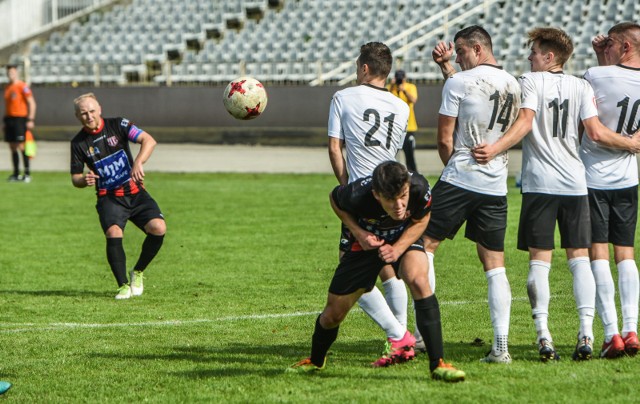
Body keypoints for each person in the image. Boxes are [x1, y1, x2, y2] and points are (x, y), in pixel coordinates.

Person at [472, 27, 640, 362]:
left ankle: (544, 336)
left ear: (549, 57)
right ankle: (588, 334)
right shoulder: (581, 84)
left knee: (540, 260)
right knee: (580, 260)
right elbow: (592, 130)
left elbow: (524, 122)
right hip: (577, 183)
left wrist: (496, 148)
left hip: (541, 183)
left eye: (534, 52)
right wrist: (632, 144)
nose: (530, 57)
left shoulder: (531, 81)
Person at [287, 161, 465, 382]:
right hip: (364, 245)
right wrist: (359, 233)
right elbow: (334, 199)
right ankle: (315, 361)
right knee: (333, 315)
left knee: (419, 280)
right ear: (376, 194)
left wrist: (398, 248)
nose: (399, 205)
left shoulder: (419, 186)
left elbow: (422, 220)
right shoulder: (357, 193)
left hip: (403, 239)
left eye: (403, 196)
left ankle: (438, 363)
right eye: (390, 200)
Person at [327, 42, 428, 366]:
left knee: (350, 267)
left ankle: (397, 334)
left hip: (364, 197)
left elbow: (334, 148)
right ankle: (400, 340)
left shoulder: (344, 96)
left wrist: (347, 190)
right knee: (387, 267)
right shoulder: (399, 106)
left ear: (365, 68)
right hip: (392, 194)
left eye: (358, 67)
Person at [426, 25, 520, 364]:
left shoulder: (459, 82)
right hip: (496, 184)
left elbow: (443, 139)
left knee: (424, 245)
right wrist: (446, 66)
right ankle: (501, 347)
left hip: (461, 176)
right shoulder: (512, 82)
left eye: (462, 52)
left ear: (477, 49)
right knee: (494, 264)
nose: (459, 58)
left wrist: (453, 168)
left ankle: (425, 334)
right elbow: (476, 95)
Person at [580, 22, 640, 358]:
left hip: (593, 177)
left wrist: (598, 60)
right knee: (626, 254)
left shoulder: (595, 75)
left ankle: (611, 333)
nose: (607, 46)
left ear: (625, 47)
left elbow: (592, 122)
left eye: (612, 44)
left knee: (598, 253)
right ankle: (632, 330)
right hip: (628, 179)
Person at [70, 93, 166, 300]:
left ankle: (138, 272)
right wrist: (83, 180)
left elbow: (148, 140)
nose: (89, 116)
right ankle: (123, 285)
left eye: (92, 111)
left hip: (134, 191)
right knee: (114, 233)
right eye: (83, 113)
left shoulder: (118, 124)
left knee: (158, 228)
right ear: (78, 116)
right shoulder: (78, 143)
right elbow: (75, 178)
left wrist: (138, 162)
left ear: (100, 109)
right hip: (109, 197)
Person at [3, 64, 36, 183]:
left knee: (22, 146)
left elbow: (31, 103)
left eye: (12, 72)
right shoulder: (7, 87)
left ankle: (27, 173)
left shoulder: (22, 86)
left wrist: (30, 119)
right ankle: (16, 173)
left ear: (16, 73)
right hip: (9, 119)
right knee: (12, 146)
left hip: (20, 119)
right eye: (8, 73)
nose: (10, 74)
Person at [387, 69, 419, 172]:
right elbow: (385, 98)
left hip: (409, 127)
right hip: (394, 127)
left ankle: (413, 174)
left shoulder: (410, 87)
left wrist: (404, 90)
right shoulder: (390, 88)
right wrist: (392, 86)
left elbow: (414, 100)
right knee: (390, 155)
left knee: (409, 155)